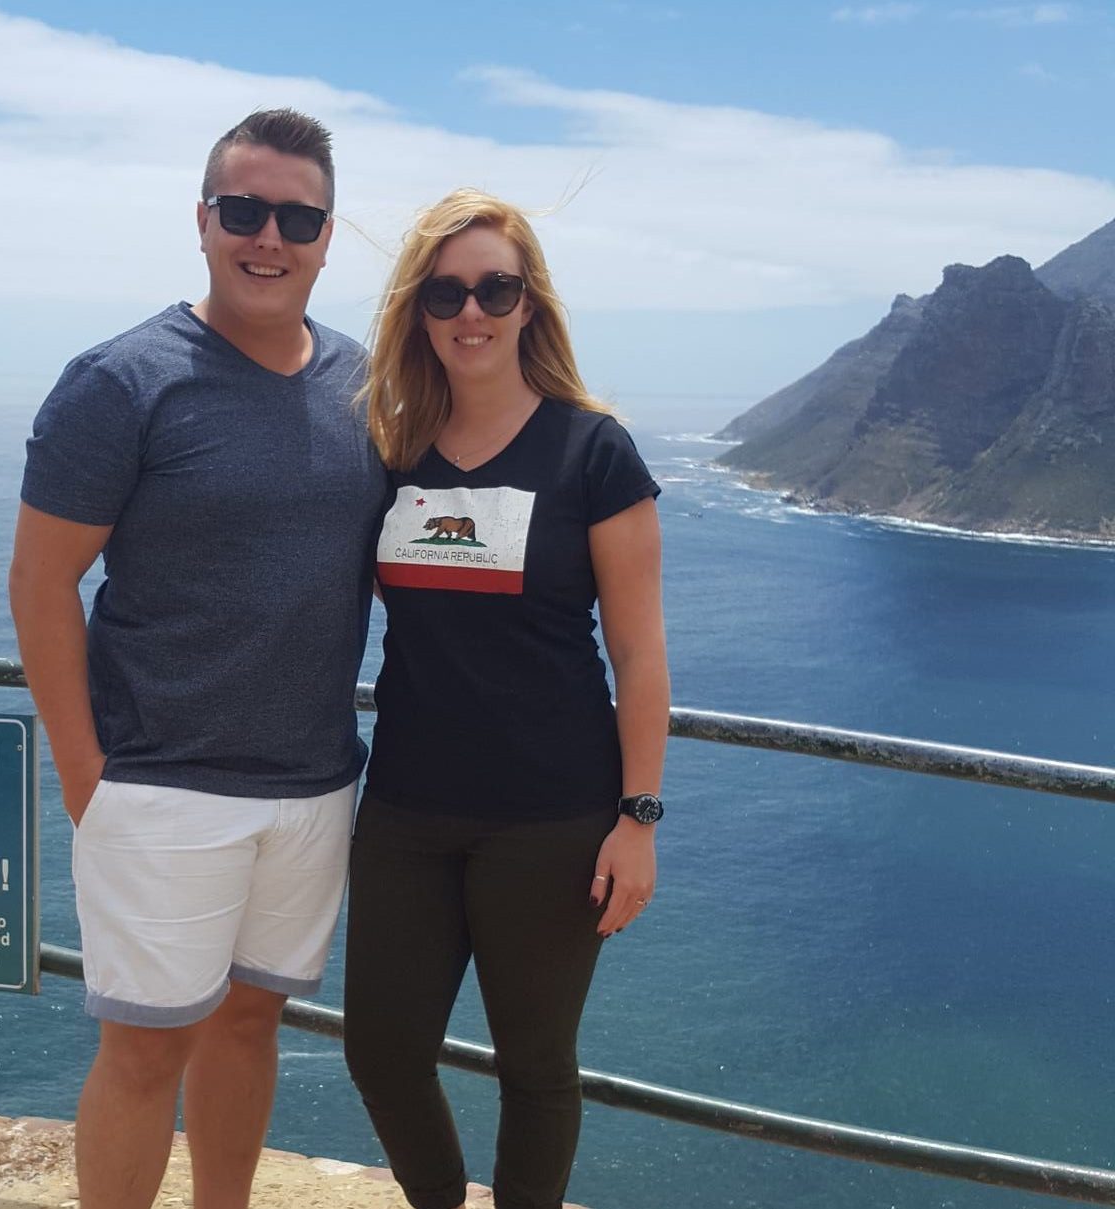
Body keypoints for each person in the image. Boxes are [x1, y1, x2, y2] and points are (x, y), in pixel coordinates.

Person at [8, 109, 386, 1209]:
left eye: (298, 219)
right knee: (142, 1051)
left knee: (250, 1021)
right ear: (205, 219)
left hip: (313, 783)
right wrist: (86, 777)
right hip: (160, 785)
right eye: (245, 210)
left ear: (327, 238)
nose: (269, 237)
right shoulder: (122, 380)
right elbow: (40, 581)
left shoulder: (366, 385)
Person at [344, 189, 670, 1209]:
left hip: (552, 817)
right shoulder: (391, 450)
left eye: (496, 288)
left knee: (533, 1066)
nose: (471, 311)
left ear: (531, 303)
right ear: (419, 310)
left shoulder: (594, 452)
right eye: (445, 292)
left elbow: (640, 651)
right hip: (406, 809)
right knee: (381, 1050)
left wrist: (639, 819)